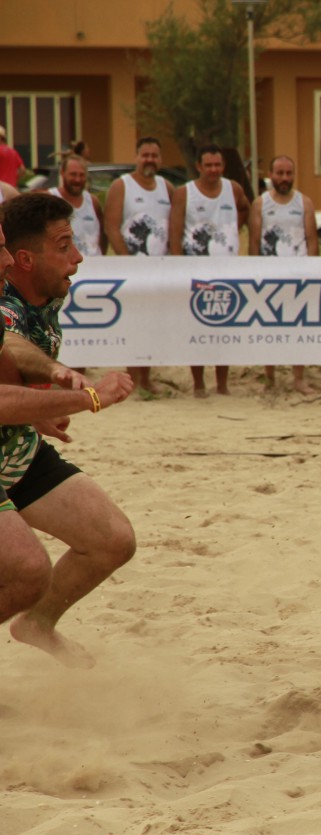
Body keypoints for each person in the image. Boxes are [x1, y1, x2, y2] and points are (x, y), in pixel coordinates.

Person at [0, 192, 137, 668]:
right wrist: (75, 386)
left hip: (17, 455)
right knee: (25, 572)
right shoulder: (7, 300)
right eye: (64, 245)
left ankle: (37, 623)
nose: (77, 256)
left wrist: (35, 407)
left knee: (113, 540)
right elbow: (12, 344)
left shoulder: (45, 294)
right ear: (24, 259)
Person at [170, 143, 249, 397]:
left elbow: (246, 208)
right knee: (197, 328)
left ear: (223, 166)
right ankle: (199, 383)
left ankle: (223, 383)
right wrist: (179, 266)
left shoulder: (233, 189)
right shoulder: (185, 193)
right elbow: (175, 233)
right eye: (209, 165)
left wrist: (230, 234)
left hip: (226, 269)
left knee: (223, 328)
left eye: (218, 165)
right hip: (195, 270)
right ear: (198, 167)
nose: (214, 170)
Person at [104, 136, 176, 396]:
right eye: (145, 155)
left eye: (154, 156)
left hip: (159, 269)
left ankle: (147, 378)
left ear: (160, 159)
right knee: (132, 324)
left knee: (153, 325)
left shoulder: (167, 187)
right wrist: (127, 260)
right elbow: (111, 227)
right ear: (136, 157)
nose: (150, 160)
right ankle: (132, 379)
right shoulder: (121, 186)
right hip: (130, 270)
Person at [249, 154, 318, 394]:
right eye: (280, 173)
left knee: (297, 329)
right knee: (270, 328)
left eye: (289, 173)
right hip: (268, 276)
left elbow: (311, 240)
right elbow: (254, 242)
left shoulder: (304, 203)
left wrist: (312, 272)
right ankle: (270, 377)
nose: (284, 178)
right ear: (271, 175)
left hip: (298, 276)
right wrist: (255, 275)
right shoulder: (260, 204)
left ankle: (298, 378)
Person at [47, 154, 107, 257]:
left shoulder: (93, 202)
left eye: (81, 175)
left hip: (95, 267)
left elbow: (103, 236)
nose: (77, 179)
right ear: (62, 173)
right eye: (73, 174)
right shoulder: (50, 199)